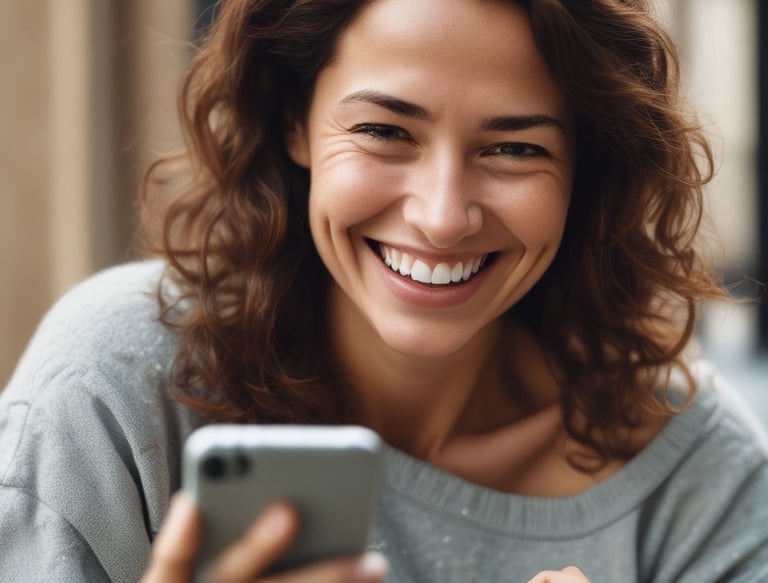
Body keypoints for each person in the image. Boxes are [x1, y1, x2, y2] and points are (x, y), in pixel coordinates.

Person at [1, 0, 767, 581]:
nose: (441, 217)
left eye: (513, 147)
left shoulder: (696, 476)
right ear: (293, 118)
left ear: (584, 170)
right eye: (385, 131)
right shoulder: (112, 389)